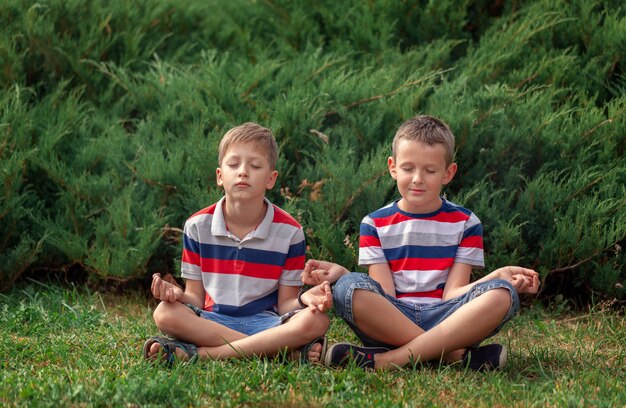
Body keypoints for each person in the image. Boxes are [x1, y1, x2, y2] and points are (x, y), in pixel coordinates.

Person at [302, 115, 539, 371]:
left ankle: (389, 359)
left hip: (447, 317)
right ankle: (451, 355)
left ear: (448, 173)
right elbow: (384, 295)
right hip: (394, 319)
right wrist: (344, 276)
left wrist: (498, 276)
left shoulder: (467, 223)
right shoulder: (374, 223)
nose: (417, 178)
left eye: (430, 170)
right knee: (347, 287)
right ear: (393, 167)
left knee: (503, 294)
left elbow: (453, 294)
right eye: (408, 168)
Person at [143, 122, 332, 366]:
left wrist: (306, 301)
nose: (243, 171)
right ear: (220, 176)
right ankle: (277, 353)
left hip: (267, 322)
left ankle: (198, 354)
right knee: (164, 313)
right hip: (214, 319)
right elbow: (196, 298)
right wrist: (177, 295)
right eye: (233, 165)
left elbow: (286, 303)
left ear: (271, 179)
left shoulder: (290, 232)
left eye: (255, 166)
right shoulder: (197, 226)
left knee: (317, 321)